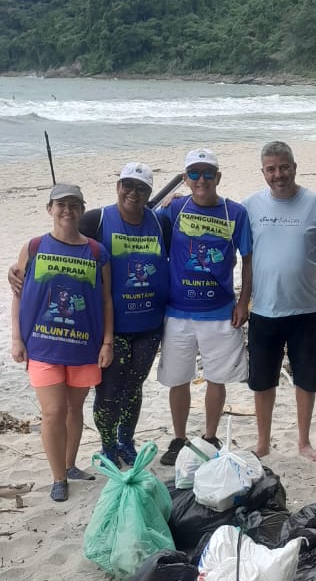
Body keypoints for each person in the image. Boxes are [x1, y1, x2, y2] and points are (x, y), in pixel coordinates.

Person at [9, 162, 172, 467]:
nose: (133, 193)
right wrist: (19, 269)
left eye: (141, 188)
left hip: (149, 325)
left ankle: (126, 441)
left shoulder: (161, 223)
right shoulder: (97, 219)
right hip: (110, 330)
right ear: (117, 187)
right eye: (127, 185)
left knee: (134, 388)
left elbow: (180, 256)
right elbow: (61, 240)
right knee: (109, 393)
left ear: (149, 192)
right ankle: (108, 446)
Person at [10, 183, 113, 502]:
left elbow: (106, 300)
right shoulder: (34, 246)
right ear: (50, 209)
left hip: (84, 346)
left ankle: (69, 465)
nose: (67, 210)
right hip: (43, 345)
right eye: (60, 204)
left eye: (73, 204)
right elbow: (18, 294)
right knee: (53, 411)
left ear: (82, 210)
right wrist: (16, 337)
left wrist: (107, 342)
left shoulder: (96, 251)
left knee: (73, 409)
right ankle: (58, 478)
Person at [244, 140, 316, 461]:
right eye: (271, 169)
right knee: (262, 382)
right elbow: (220, 235)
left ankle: (303, 441)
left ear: (294, 167)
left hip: (307, 311)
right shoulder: (250, 207)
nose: (278, 174)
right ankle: (262, 441)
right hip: (263, 311)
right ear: (263, 173)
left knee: (307, 379)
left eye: (284, 167)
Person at [157, 148, 252, 465]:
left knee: (216, 378)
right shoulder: (175, 209)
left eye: (208, 173)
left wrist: (243, 301)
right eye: (194, 174)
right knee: (178, 379)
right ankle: (179, 439)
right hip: (177, 311)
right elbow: (136, 226)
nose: (201, 180)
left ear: (218, 177)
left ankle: (210, 436)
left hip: (220, 311)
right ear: (185, 179)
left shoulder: (235, 213)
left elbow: (249, 259)